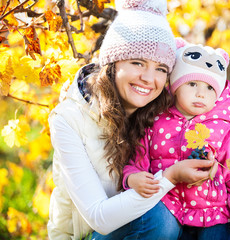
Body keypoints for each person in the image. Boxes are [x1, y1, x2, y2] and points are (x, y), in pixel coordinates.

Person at [47, 1, 217, 239]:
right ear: (113, 64)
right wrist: (170, 177)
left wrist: (208, 163)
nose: (149, 78)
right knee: (159, 219)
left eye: (160, 69)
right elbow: (99, 218)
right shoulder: (68, 118)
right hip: (90, 234)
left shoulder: (163, 111)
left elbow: (215, 86)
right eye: (137, 63)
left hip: (156, 223)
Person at [123, 39, 230, 240]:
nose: (200, 94)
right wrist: (132, 177)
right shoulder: (155, 120)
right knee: (161, 230)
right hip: (166, 204)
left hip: (213, 211)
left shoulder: (222, 130)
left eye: (209, 88)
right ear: (175, 86)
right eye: (192, 83)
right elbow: (136, 160)